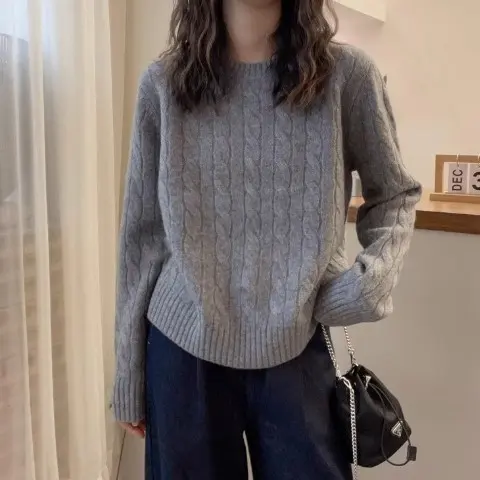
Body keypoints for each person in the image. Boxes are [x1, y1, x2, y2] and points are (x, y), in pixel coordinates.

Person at [112, 0, 421, 478]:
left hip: (298, 342)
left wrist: (369, 285)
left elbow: (395, 193)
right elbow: (142, 238)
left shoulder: (348, 76)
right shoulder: (163, 83)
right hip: (183, 349)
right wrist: (129, 370)